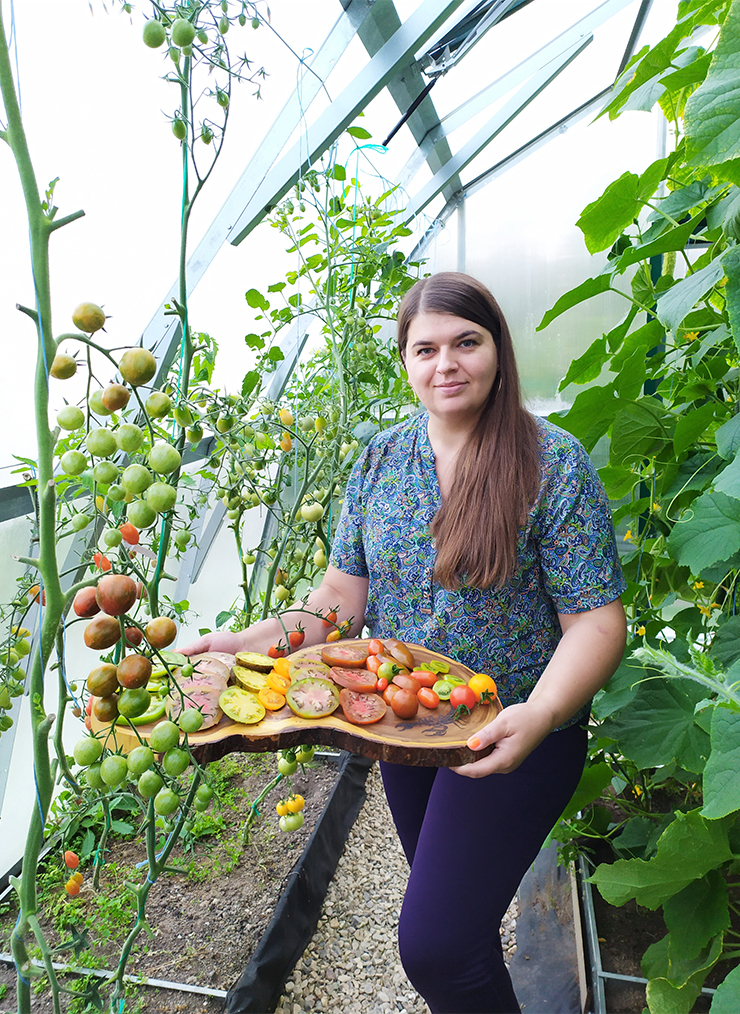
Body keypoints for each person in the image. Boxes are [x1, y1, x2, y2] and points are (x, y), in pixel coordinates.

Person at [183, 271, 627, 1014]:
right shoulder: (379, 462)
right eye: (426, 349)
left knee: (436, 948)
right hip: (403, 732)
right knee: (462, 930)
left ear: (497, 350)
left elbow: (597, 623)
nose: (446, 364)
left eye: (466, 343)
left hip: (511, 733)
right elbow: (336, 604)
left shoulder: (553, 464)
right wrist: (249, 641)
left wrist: (543, 713)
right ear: (406, 362)